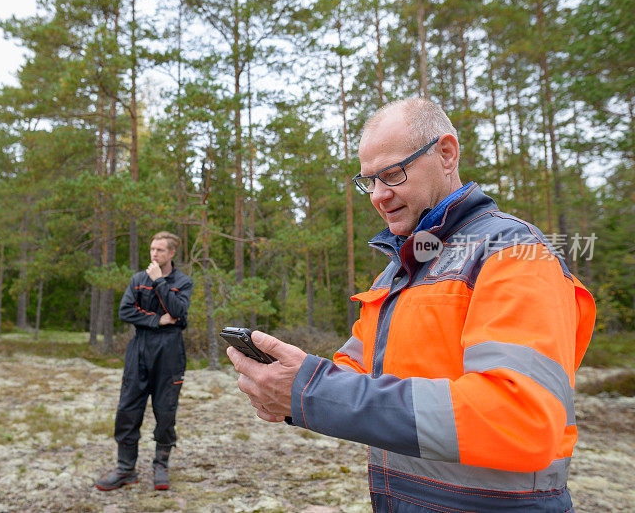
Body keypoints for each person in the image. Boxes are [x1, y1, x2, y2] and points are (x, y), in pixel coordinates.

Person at [227, 98, 596, 512]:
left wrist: (311, 390)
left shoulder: (513, 251)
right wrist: (288, 388)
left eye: (393, 174)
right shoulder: (401, 270)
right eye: (369, 181)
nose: (379, 196)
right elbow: (357, 373)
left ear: (446, 153)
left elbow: (519, 418)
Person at [95, 231, 193, 492]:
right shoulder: (138, 279)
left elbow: (179, 312)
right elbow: (125, 311)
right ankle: (126, 469)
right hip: (139, 350)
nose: (154, 254)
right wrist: (155, 319)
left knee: (165, 413)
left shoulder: (182, 282)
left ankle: (161, 466)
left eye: (160, 250)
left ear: (172, 253)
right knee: (127, 410)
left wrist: (160, 282)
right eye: (152, 249)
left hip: (170, 353)